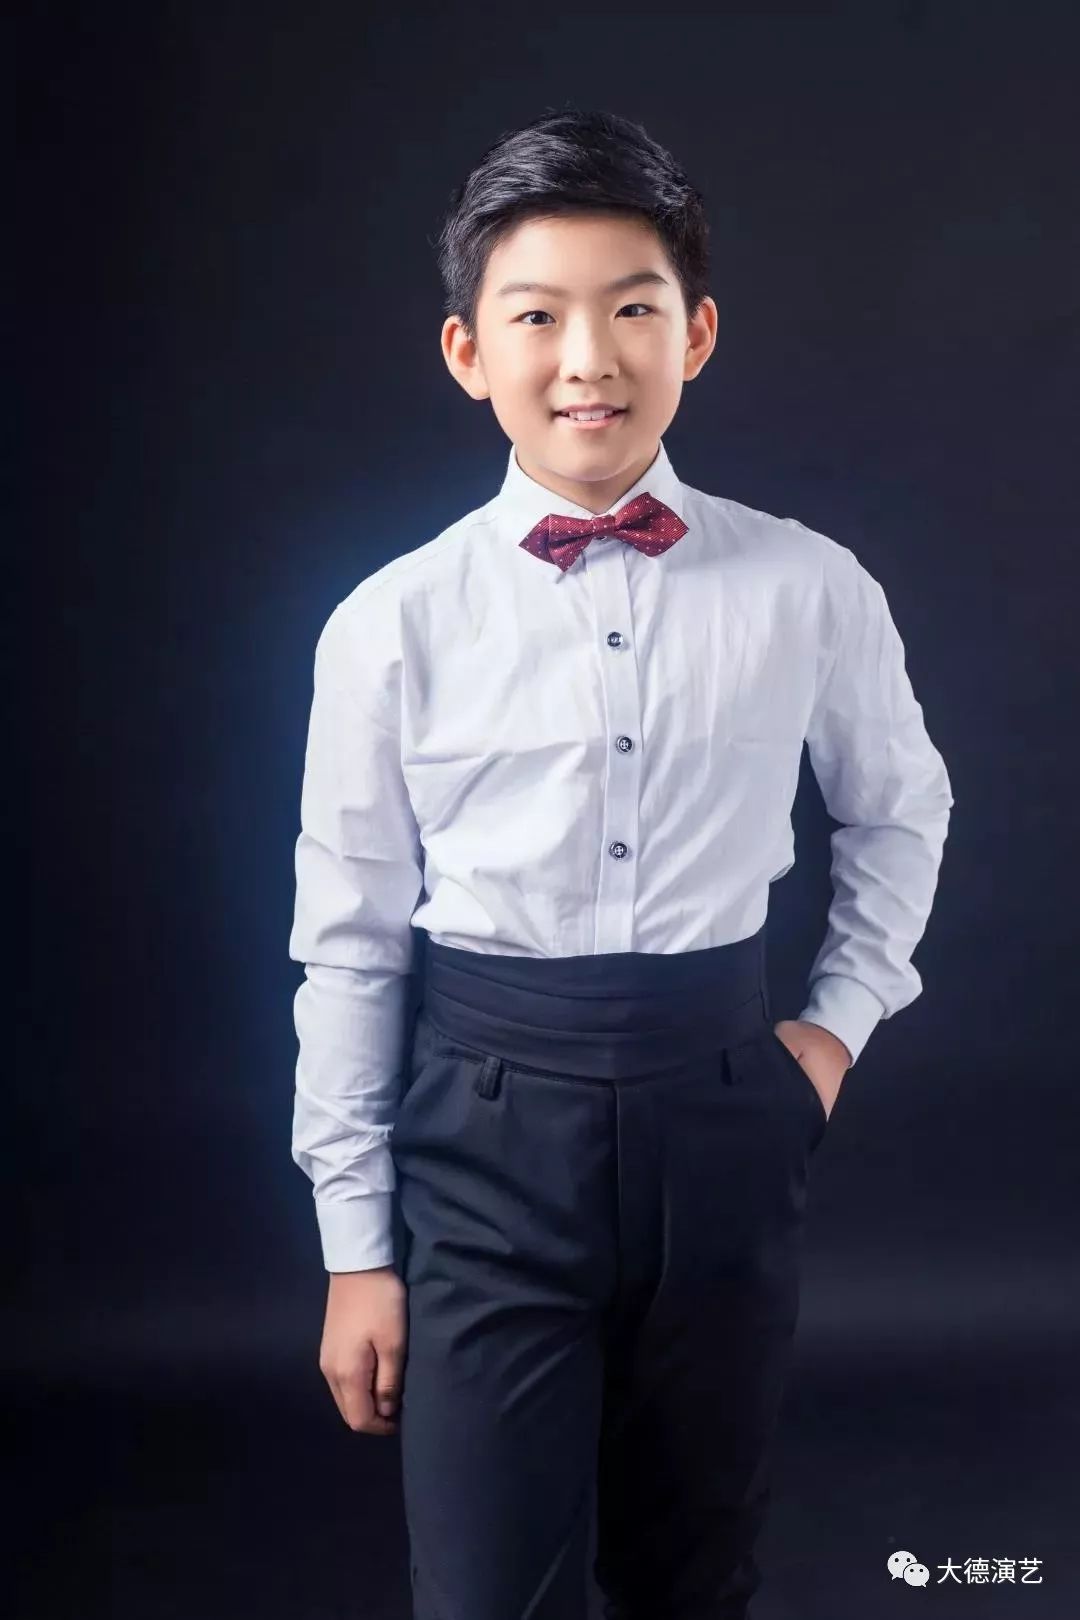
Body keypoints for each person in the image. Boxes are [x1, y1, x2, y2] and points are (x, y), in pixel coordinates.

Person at [287, 106, 954, 1620]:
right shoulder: (391, 623)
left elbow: (902, 812)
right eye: (538, 316)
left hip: (725, 1110)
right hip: (483, 1136)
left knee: (694, 1572)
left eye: (633, 309)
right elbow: (351, 942)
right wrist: (355, 1247)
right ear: (469, 352)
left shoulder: (809, 586)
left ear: (695, 334)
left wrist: (832, 1032)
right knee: (487, 1591)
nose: (587, 357)